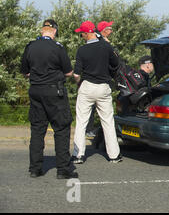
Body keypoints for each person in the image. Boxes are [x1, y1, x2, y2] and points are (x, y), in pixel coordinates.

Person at [20, 19, 78, 179]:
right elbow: (68, 72)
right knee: (61, 128)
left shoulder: (30, 46)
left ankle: (35, 168)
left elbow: (24, 71)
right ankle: (63, 169)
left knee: (37, 129)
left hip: (36, 90)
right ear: (54, 32)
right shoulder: (57, 47)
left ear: (42, 30)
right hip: (54, 91)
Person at [72, 20, 122, 164]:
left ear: (88, 34)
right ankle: (114, 155)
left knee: (81, 121)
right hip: (103, 86)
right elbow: (116, 63)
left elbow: (76, 74)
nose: (81, 35)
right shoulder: (106, 46)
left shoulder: (82, 50)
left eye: (82, 33)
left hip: (87, 86)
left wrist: (79, 84)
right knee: (107, 121)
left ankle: (78, 154)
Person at [85, 20, 115, 138]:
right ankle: (90, 129)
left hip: (95, 78)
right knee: (94, 106)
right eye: (110, 29)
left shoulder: (99, 40)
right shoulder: (102, 43)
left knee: (93, 106)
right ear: (104, 30)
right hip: (98, 79)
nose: (111, 31)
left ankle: (90, 128)